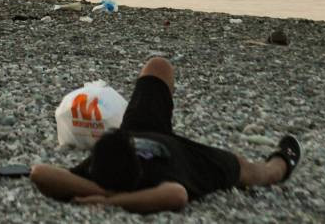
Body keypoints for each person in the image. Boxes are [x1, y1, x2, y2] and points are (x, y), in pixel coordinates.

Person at [30, 57, 302, 213]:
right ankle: (284, 160)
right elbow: (177, 196)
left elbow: (40, 173)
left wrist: (98, 193)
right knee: (255, 172)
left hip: (140, 131)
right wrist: (111, 200)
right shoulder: (154, 181)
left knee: (158, 66)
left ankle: (134, 131)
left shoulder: (95, 169)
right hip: (185, 158)